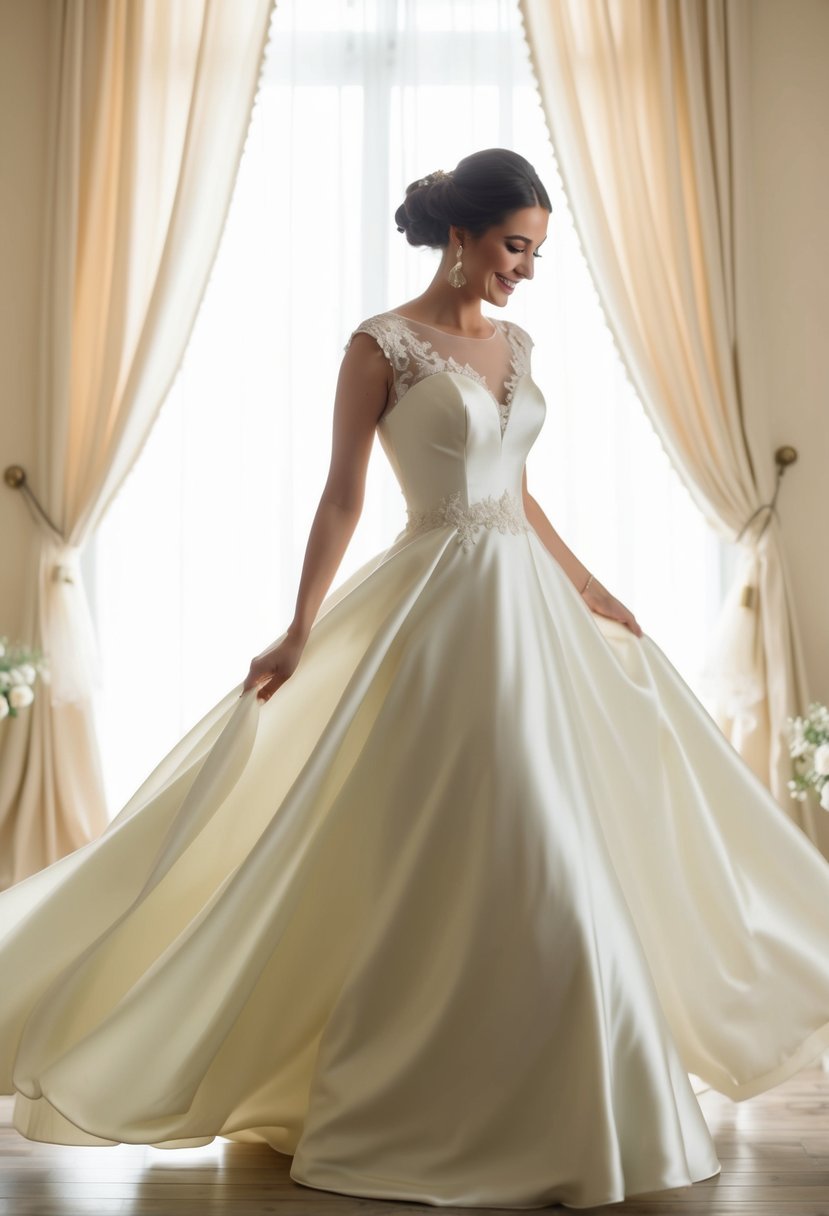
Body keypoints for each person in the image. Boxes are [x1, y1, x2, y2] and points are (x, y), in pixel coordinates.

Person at [1, 148, 828, 1211]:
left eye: (535, 252)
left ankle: (580, 1109)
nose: (525, 270)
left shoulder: (516, 344)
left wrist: (586, 585)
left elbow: (516, 490)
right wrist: (298, 626)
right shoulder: (378, 344)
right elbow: (342, 496)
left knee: (558, 842)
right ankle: (419, 1108)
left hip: (528, 612)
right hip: (436, 615)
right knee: (465, 845)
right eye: (514, 247)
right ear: (463, 235)